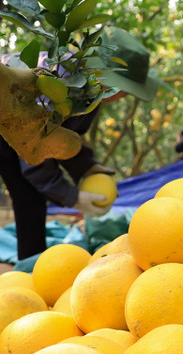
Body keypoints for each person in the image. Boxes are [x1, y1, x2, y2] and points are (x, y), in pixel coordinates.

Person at [0, 109, 113, 260]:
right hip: (9, 134)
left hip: (29, 134)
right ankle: (31, 267)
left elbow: (61, 137)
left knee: (31, 202)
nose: (124, 94)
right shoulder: (69, 88)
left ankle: (33, 264)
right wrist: (71, 196)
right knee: (29, 199)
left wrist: (85, 165)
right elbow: (37, 145)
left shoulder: (92, 96)